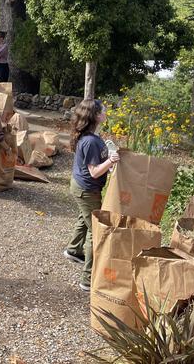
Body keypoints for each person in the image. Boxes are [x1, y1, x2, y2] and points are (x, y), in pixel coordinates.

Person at [64, 99, 119, 292]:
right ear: (95, 115)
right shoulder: (90, 141)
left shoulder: (90, 137)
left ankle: (73, 250)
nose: (106, 112)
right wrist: (111, 161)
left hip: (80, 186)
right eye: (103, 110)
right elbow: (95, 172)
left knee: (84, 218)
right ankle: (87, 279)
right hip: (87, 189)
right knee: (95, 231)